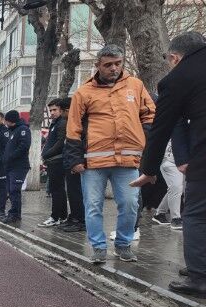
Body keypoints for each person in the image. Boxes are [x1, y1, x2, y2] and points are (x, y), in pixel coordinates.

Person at [132, 32, 206, 299]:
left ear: (174, 58)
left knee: (198, 214)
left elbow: (161, 128)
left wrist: (149, 171)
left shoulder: (177, 79)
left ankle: (200, 279)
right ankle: (204, 263)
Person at [65, 44, 155, 264]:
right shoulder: (84, 92)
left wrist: (143, 138)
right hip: (93, 161)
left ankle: (123, 245)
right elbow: (74, 126)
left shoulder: (136, 86)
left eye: (117, 63)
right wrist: (75, 159)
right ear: (98, 65)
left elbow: (150, 115)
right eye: (108, 65)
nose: (114, 68)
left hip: (128, 159)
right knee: (93, 206)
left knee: (130, 204)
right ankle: (98, 247)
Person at [39, 97, 70, 227]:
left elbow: (60, 142)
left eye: (54, 110)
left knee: (56, 190)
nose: (52, 113)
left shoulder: (62, 123)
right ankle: (62, 216)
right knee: (58, 189)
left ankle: (55, 217)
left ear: (61, 110)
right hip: (53, 160)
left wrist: (46, 154)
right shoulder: (55, 123)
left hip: (57, 160)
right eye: (50, 110)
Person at [0, 110, 31, 225]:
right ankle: (14, 214)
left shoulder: (23, 130)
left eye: (6, 121)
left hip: (19, 166)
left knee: (14, 190)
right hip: (10, 166)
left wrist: (11, 157)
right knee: (11, 191)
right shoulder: (12, 131)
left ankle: (15, 215)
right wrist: (5, 159)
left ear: (10, 120)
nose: (5, 123)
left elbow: (24, 146)